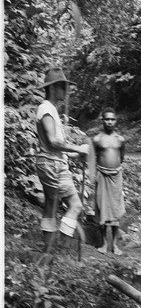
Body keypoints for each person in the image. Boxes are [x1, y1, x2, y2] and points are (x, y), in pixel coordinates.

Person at [36, 67, 89, 253]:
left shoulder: (49, 109)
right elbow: (53, 141)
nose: (65, 92)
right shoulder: (46, 109)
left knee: (51, 207)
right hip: (52, 164)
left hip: (50, 161)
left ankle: (49, 249)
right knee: (76, 205)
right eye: (62, 87)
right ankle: (63, 251)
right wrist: (78, 148)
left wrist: (73, 154)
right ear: (52, 88)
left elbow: (50, 144)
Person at [91, 108, 125, 256]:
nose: (110, 122)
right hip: (102, 175)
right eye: (107, 119)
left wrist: (115, 169)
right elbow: (92, 157)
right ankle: (104, 243)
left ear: (116, 120)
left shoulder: (120, 140)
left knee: (116, 209)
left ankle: (115, 245)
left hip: (116, 176)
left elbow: (121, 157)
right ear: (102, 121)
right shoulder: (97, 139)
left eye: (112, 119)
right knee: (102, 208)